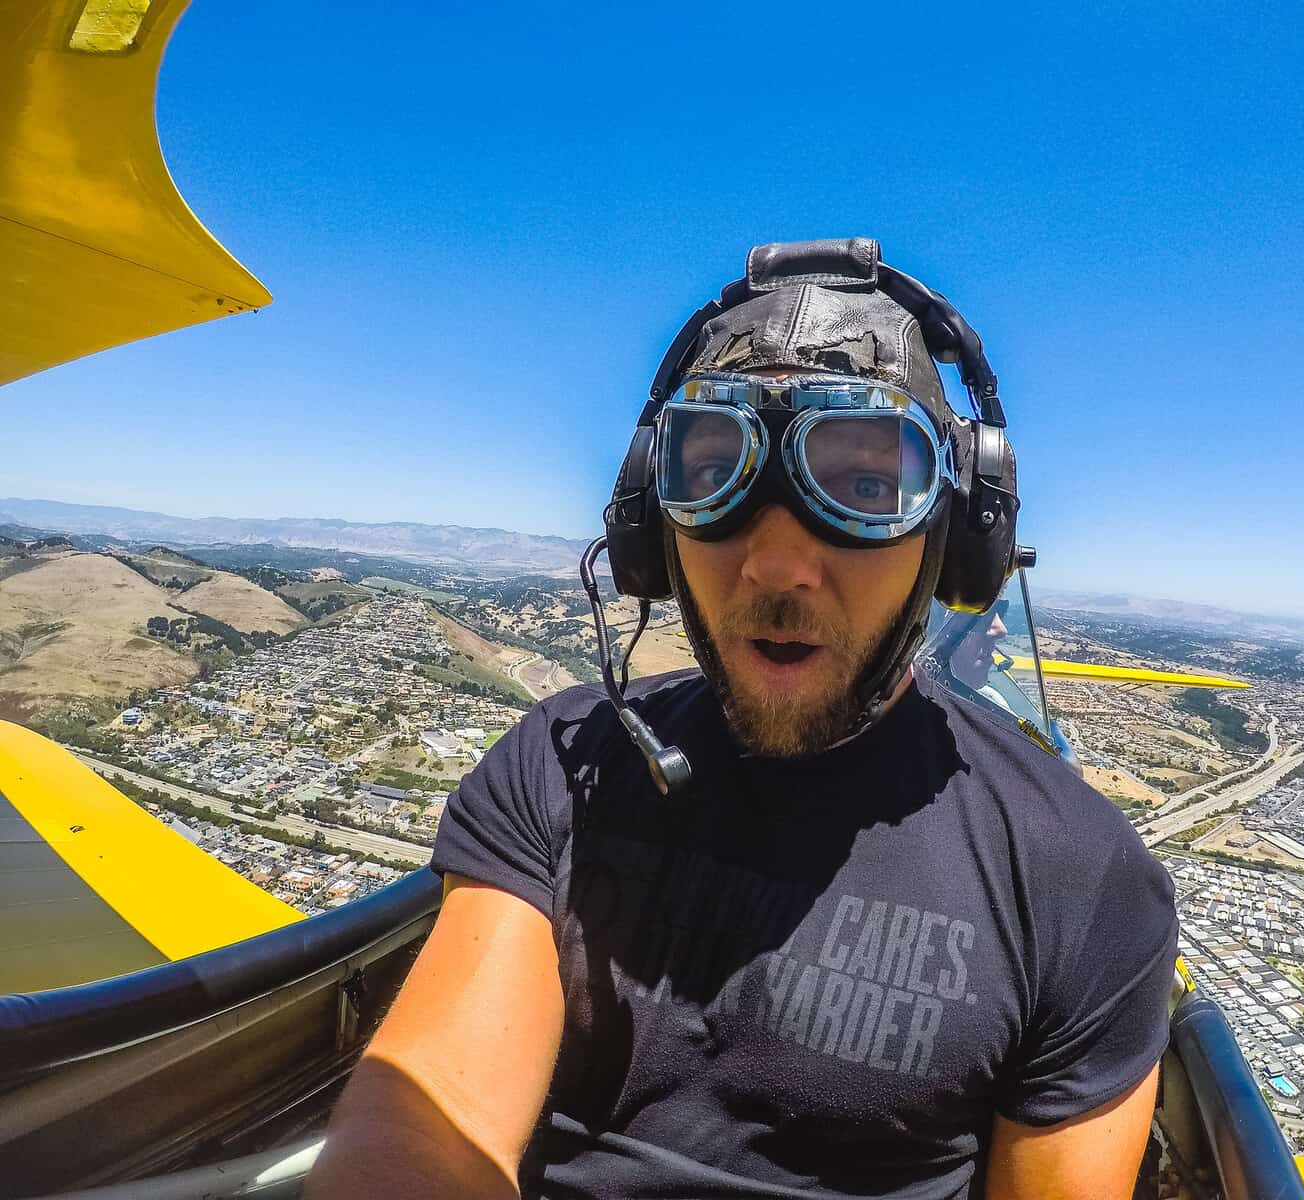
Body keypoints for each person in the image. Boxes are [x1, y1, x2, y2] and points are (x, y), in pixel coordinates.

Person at [309, 240, 1178, 1200]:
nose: (776, 566)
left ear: (953, 532)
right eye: (712, 475)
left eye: (863, 488)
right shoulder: (564, 767)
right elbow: (430, 1123)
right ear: (652, 523)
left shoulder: (1078, 880)